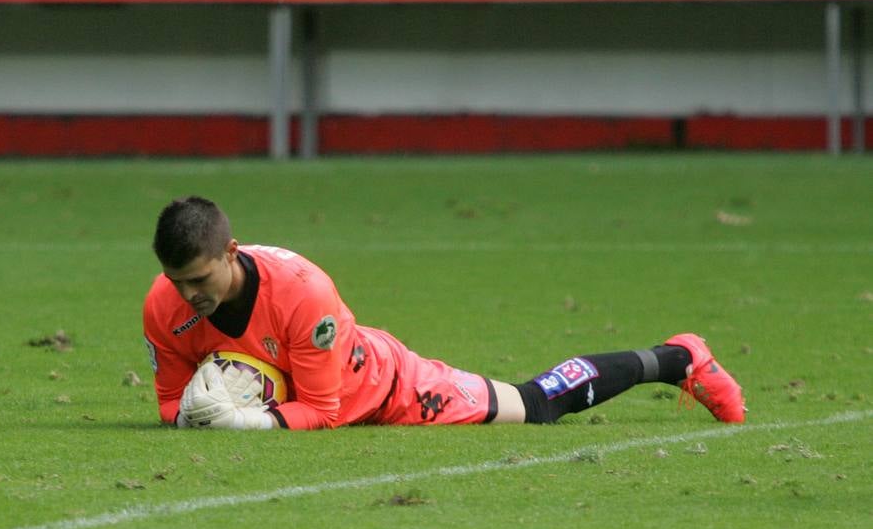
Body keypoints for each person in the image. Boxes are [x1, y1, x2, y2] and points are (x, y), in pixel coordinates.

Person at [142, 196, 746, 430]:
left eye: (200, 279)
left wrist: (248, 424)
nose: (189, 294)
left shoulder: (303, 293)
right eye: (177, 281)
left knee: (534, 406)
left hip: (385, 387)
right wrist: (190, 418)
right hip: (312, 387)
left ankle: (677, 358)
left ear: (230, 251)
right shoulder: (163, 308)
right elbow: (169, 404)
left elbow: (323, 410)